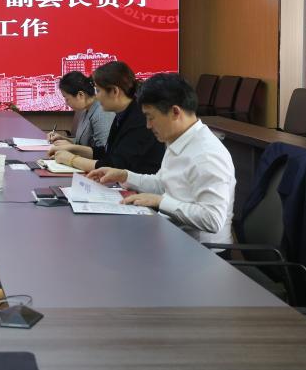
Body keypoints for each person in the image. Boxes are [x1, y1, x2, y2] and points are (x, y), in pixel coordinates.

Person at [88, 73, 236, 244]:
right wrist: (124, 176)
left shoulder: (207, 155)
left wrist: (160, 202)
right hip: (173, 238)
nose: (148, 125)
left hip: (203, 251)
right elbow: (162, 184)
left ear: (175, 112)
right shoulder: (179, 140)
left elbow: (212, 219)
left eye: (151, 117)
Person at [52, 61, 164, 174]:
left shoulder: (139, 119)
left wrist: (72, 159)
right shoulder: (123, 113)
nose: (97, 97)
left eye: (99, 91)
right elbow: (106, 152)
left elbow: (115, 166)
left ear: (115, 91)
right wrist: (72, 148)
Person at [47, 71, 115, 152]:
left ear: (80, 95)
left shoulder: (102, 113)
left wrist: (72, 147)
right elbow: (81, 142)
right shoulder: (85, 109)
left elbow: (104, 152)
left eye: (67, 98)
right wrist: (62, 138)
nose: (66, 103)